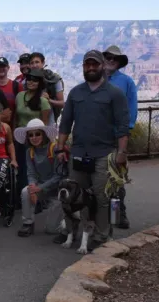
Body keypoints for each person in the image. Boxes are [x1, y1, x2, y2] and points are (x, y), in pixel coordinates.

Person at [55, 50, 130, 251]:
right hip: (78, 152)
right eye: (87, 65)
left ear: (102, 66)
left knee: (102, 197)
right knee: (72, 195)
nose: (90, 68)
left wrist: (121, 153)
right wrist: (60, 148)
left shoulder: (115, 93)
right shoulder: (76, 93)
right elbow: (65, 124)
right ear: (83, 67)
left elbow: (123, 127)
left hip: (104, 154)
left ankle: (101, 235)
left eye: (94, 64)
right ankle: (71, 233)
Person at [103, 45, 138, 229]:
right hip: (98, 135)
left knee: (116, 176)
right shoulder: (96, 79)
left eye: (114, 58)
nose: (110, 60)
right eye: (108, 57)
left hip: (117, 136)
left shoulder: (127, 82)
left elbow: (132, 108)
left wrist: (126, 131)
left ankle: (118, 214)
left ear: (119, 62)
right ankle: (99, 215)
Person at [13, 119, 62, 237]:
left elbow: (59, 176)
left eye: (37, 134)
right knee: (26, 191)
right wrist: (33, 186)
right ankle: (28, 223)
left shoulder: (54, 149)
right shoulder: (29, 151)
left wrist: (38, 188)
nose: (34, 137)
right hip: (41, 187)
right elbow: (31, 173)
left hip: (57, 191)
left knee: (52, 230)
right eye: (31, 135)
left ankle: (65, 219)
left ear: (44, 134)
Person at [14, 68, 51, 197]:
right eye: (29, 79)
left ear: (40, 83)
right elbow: (16, 117)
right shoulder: (19, 96)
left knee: (33, 169)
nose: (31, 82)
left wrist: (40, 141)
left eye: (35, 80)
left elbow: (44, 124)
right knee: (22, 168)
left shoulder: (43, 101)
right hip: (21, 137)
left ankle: (37, 195)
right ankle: (22, 197)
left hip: (35, 140)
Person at [29, 52, 65, 125]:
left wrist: (49, 100)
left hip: (49, 120)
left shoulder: (54, 79)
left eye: (37, 62)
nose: (34, 65)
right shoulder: (27, 81)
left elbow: (62, 103)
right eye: (32, 63)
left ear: (43, 63)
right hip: (31, 119)